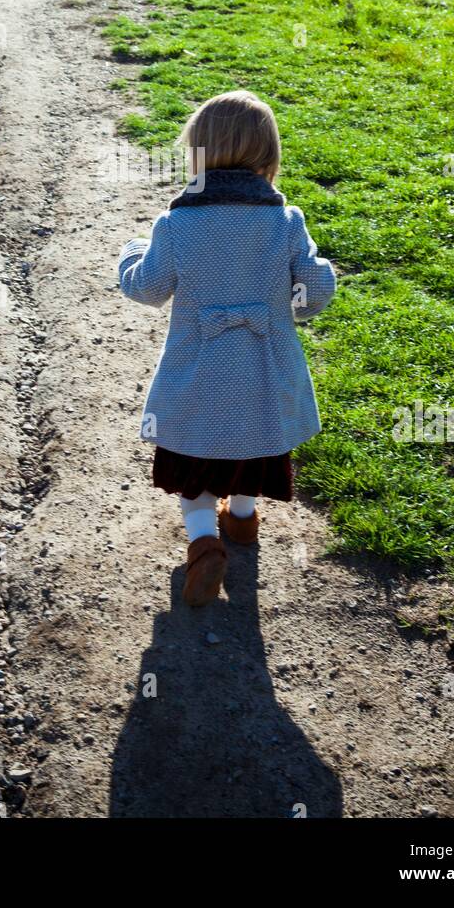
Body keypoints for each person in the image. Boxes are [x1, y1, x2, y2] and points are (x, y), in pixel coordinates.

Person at [117, 89, 336, 607]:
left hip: (199, 380)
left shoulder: (177, 225)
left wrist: (132, 255)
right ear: (268, 157)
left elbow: (148, 288)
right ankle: (241, 520)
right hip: (263, 375)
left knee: (195, 466)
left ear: (196, 155)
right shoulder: (286, 224)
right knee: (251, 446)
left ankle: (202, 543)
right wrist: (318, 272)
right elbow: (312, 297)